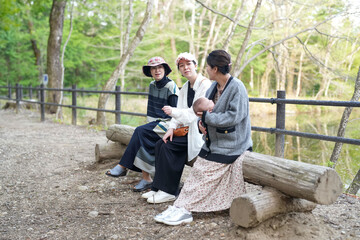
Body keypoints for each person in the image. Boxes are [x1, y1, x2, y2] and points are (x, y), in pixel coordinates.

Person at [153, 50, 253, 225]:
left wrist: (206, 119)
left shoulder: (237, 87)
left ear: (215, 69)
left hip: (232, 144)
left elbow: (234, 117)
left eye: (207, 66)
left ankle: (186, 208)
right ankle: (180, 206)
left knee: (204, 174)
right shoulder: (214, 87)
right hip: (213, 143)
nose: (206, 69)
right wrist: (202, 125)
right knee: (198, 172)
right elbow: (200, 113)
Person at [141, 52, 212, 204]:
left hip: (201, 133)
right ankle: (158, 187)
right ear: (179, 69)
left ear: (195, 65)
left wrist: (172, 112)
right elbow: (178, 113)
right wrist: (171, 129)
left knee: (169, 147)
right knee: (161, 143)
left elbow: (193, 114)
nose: (185, 68)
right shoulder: (185, 87)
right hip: (187, 130)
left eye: (188, 64)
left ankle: (168, 190)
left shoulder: (204, 85)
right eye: (181, 65)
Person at [105, 56, 179, 192]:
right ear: (150, 72)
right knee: (142, 136)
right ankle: (146, 179)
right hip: (154, 123)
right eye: (153, 68)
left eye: (160, 67)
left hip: (169, 125)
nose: (157, 71)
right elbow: (151, 110)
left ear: (165, 70)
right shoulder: (152, 86)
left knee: (140, 132)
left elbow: (175, 113)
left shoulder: (171, 86)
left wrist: (153, 126)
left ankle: (123, 166)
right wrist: (149, 125)